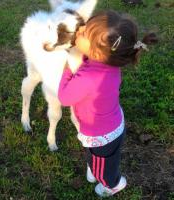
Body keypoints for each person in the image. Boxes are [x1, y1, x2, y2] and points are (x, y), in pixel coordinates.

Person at [58, 10, 157, 197]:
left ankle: (114, 184)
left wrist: (67, 71)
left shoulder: (88, 77)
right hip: (110, 124)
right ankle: (95, 167)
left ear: (96, 50)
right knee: (99, 158)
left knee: (105, 167)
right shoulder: (108, 62)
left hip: (101, 134)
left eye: (84, 33)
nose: (79, 30)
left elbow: (64, 97)